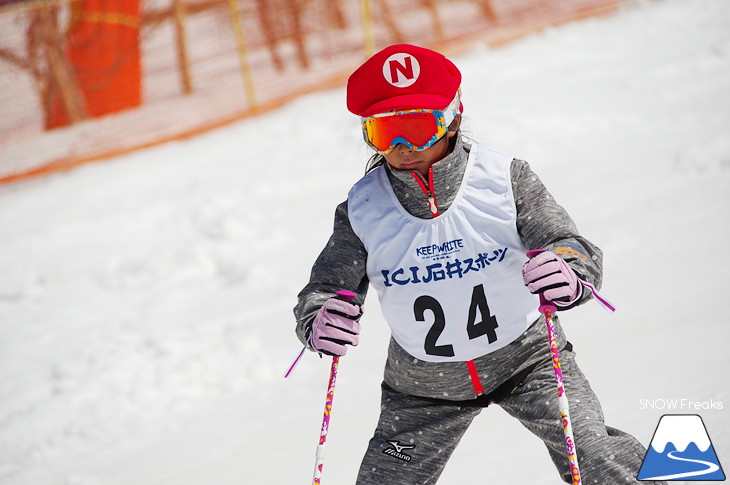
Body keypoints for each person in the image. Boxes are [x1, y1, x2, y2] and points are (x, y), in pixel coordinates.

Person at [293, 44, 663, 485]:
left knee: (595, 453)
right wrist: (318, 319)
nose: (402, 147)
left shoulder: (503, 178)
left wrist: (569, 271)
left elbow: (568, 244)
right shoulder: (363, 209)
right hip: (422, 390)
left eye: (417, 127)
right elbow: (326, 289)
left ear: (453, 117)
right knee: (386, 477)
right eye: (383, 132)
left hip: (529, 362)